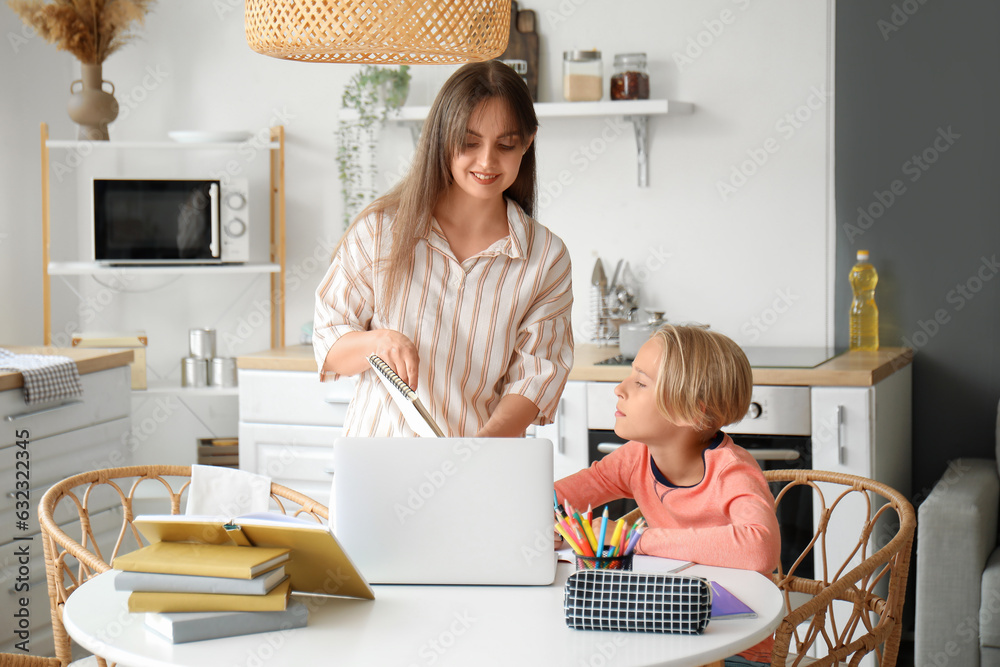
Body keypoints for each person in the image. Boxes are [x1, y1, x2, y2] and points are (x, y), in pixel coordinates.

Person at [314, 61, 574, 438]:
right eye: (469, 143)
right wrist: (379, 341)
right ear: (441, 138)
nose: (486, 161)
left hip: (478, 467)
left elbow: (536, 378)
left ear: (528, 141)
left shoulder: (545, 257)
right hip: (375, 462)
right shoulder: (380, 230)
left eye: (506, 144)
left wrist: (475, 454)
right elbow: (329, 342)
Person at [554, 324, 780, 667]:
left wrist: (635, 540)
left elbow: (759, 548)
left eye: (640, 383)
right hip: (662, 628)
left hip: (733, 646)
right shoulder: (635, 457)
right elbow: (562, 498)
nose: (619, 389)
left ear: (693, 410)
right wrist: (546, 520)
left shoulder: (732, 471)